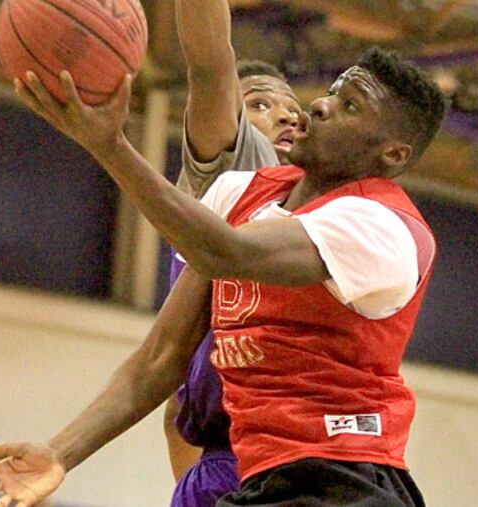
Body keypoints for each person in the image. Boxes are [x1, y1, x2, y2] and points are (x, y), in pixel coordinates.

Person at [0, 44, 447, 506]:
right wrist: (61, 453)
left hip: (344, 476)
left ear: (394, 155)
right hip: (263, 475)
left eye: (349, 107)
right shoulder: (238, 194)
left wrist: (111, 147)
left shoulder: (384, 227)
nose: (319, 105)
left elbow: (226, 251)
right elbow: (162, 357)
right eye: (333, 92)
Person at [165, 0, 303, 504]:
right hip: (246, 456)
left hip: (286, 456)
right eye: (262, 104)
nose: (287, 115)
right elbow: (210, 64)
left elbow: (172, 411)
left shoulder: (317, 203)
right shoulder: (239, 164)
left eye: (295, 109)